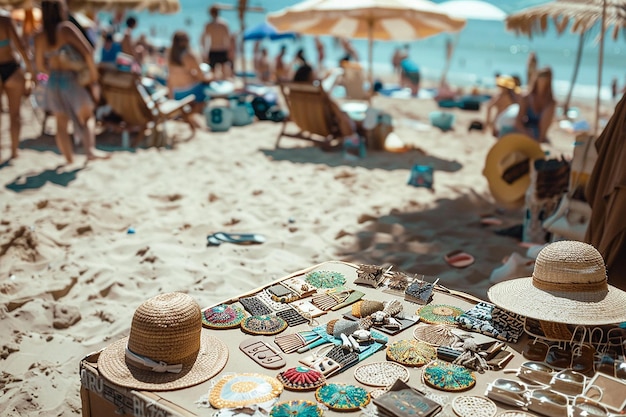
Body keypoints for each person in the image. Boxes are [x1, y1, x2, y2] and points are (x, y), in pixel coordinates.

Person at [34, 0, 106, 163]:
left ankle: (69, 160)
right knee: (87, 116)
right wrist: (93, 76)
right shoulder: (66, 29)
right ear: (60, 10)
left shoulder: (39, 35)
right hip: (72, 79)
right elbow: (88, 52)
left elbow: (40, 66)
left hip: (53, 81)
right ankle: (90, 150)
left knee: (61, 123)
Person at [0, 11, 35, 160]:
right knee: (15, 115)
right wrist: (31, 71)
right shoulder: (6, 19)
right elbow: (20, 46)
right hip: (11, 67)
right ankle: (14, 151)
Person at [293, 60, 355, 140]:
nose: (315, 75)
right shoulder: (317, 94)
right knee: (345, 115)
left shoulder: (295, 93)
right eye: (313, 74)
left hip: (302, 122)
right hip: (321, 125)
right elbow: (338, 112)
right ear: (310, 76)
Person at [167, 31, 212, 114]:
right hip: (188, 93)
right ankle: (196, 113)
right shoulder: (189, 55)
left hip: (176, 93)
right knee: (207, 87)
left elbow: (170, 77)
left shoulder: (170, 55)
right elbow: (201, 76)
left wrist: (170, 97)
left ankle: (191, 115)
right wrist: (212, 77)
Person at [515, 67, 556, 143]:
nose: (543, 78)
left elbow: (544, 128)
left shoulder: (550, 102)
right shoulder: (526, 97)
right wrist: (526, 132)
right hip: (524, 130)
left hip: (537, 135)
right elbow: (518, 121)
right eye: (541, 75)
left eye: (546, 76)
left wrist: (538, 140)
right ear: (536, 77)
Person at [201, 6, 231, 79]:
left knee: (212, 73)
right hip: (222, 49)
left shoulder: (208, 25)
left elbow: (203, 39)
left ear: (211, 13)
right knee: (224, 72)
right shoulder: (224, 24)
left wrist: (204, 51)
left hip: (213, 49)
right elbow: (228, 39)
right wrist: (230, 50)